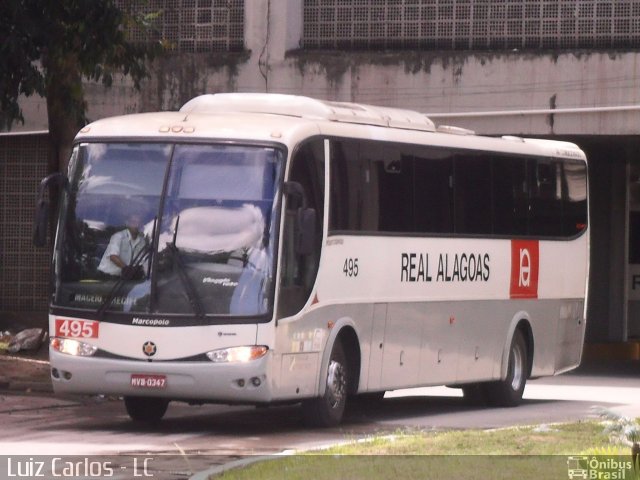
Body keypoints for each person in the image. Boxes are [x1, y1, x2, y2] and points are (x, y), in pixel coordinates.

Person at [98, 213, 148, 279]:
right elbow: (113, 256)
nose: (136, 225)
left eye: (139, 223)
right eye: (134, 222)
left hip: (125, 279)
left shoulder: (142, 241)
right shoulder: (118, 237)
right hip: (107, 279)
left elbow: (142, 260)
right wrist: (126, 269)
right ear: (127, 223)